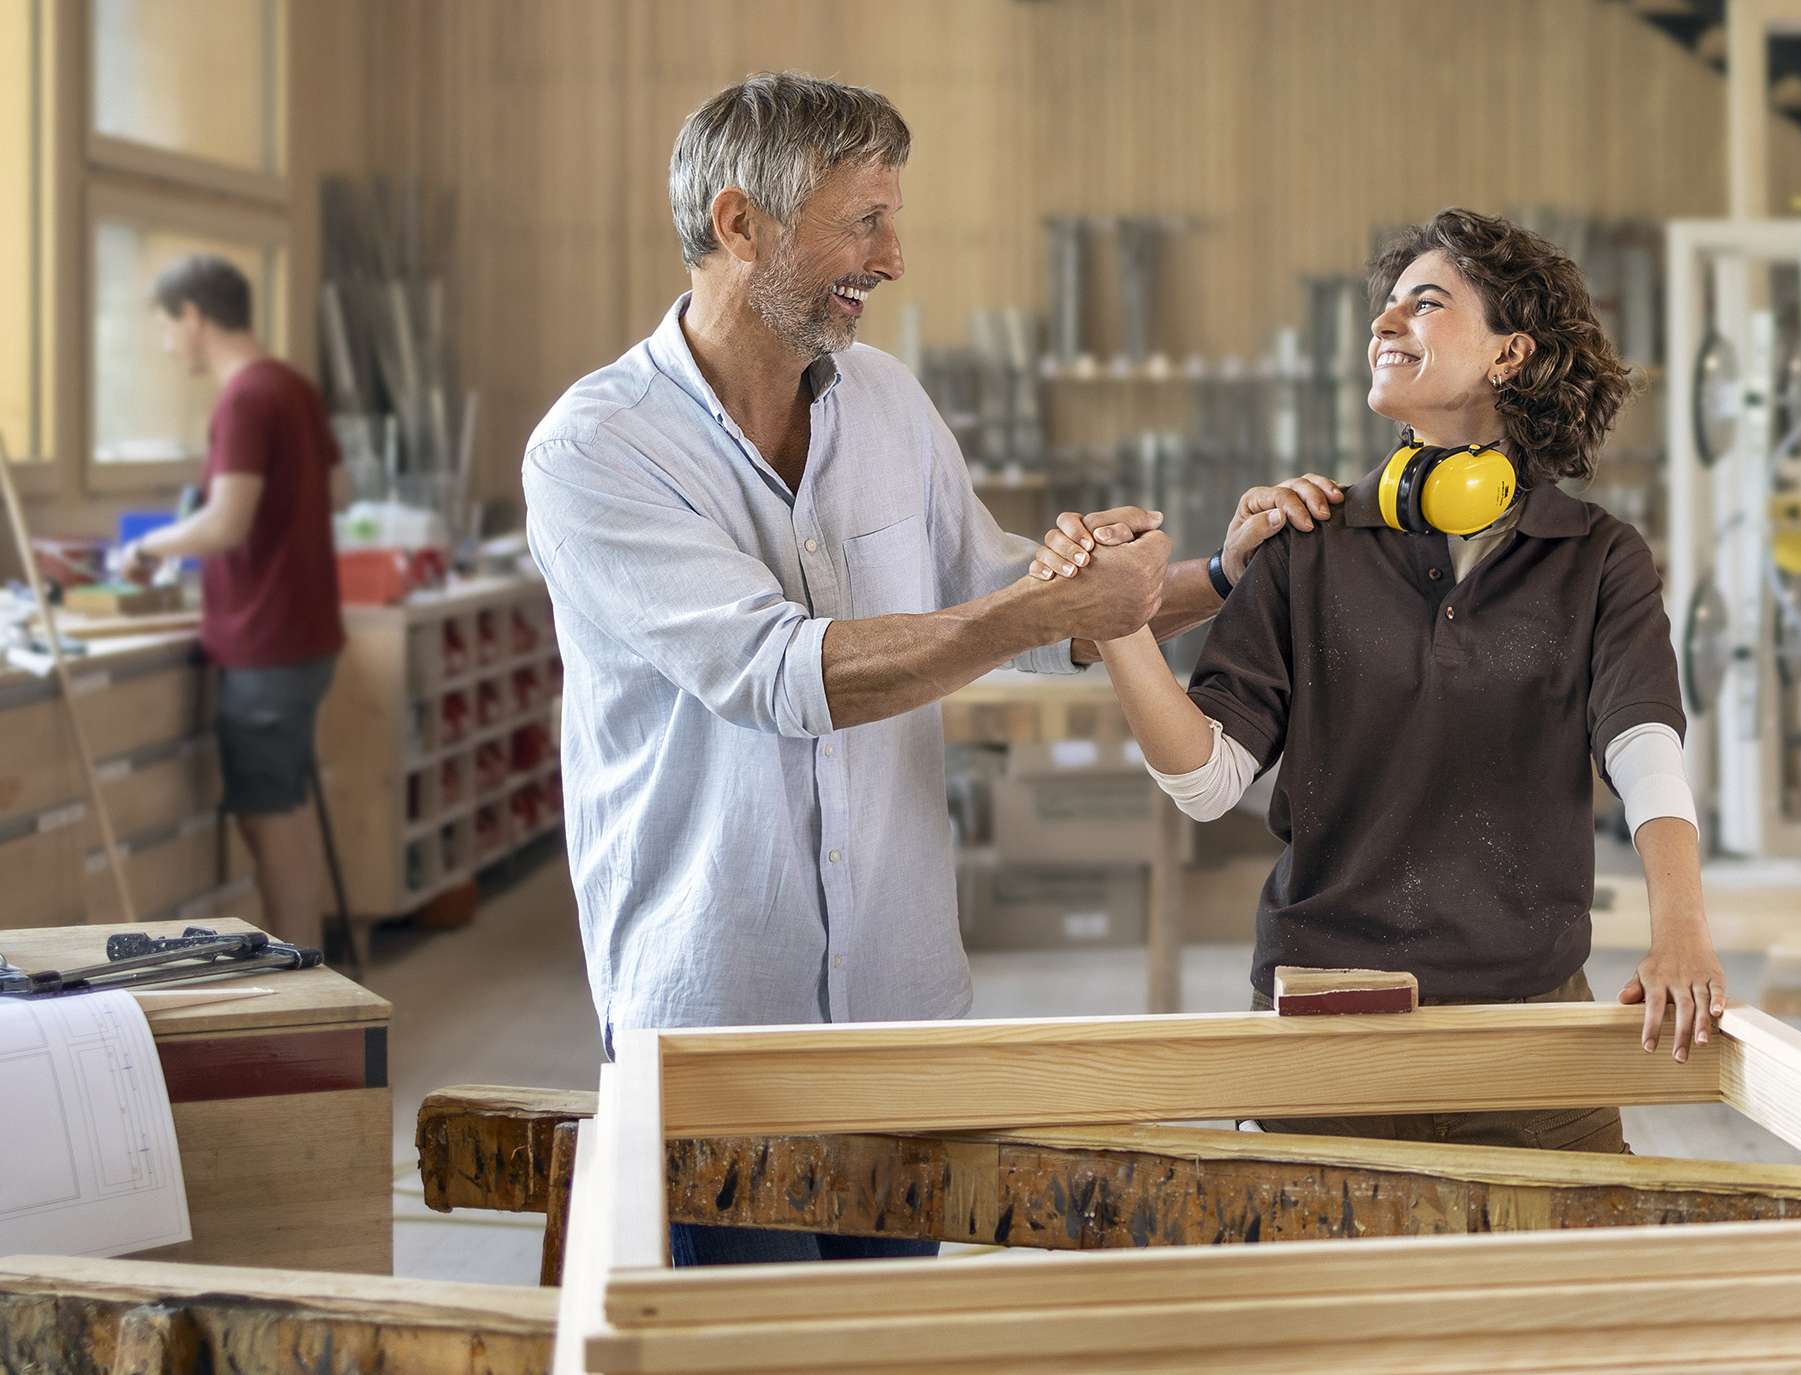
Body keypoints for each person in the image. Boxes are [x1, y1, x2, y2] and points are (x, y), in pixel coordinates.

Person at [522, 72, 1336, 1266]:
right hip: (717, 1021)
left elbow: (1006, 589)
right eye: (864, 222)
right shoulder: (597, 448)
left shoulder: (887, 406)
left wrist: (1216, 574)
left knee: (890, 1329)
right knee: (741, 1342)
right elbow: (779, 675)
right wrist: (1036, 604)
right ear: (740, 224)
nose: (892, 259)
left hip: (899, 1015)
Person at [1034, 209, 1725, 1154]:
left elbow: (1643, 748)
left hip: (1528, 1031)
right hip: (1324, 1031)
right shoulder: (1305, 542)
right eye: (1386, 306)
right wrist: (1120, 624)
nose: (1384, 322)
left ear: (1510, 353)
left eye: (1425, 303)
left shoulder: (1599, 556)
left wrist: (1681, 926)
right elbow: (1207, 781)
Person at [125, 254, 347, 951]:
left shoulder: (244, 398)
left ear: (194, 317)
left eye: (169, 327)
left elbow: (224, 523)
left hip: (265, 641)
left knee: (267, 817)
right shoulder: (292, 386)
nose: (169, 345)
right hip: (304, 633)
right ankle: (309, 967)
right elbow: (338, 492)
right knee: (287, 806)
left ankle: (296, 981)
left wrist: (146, 547)